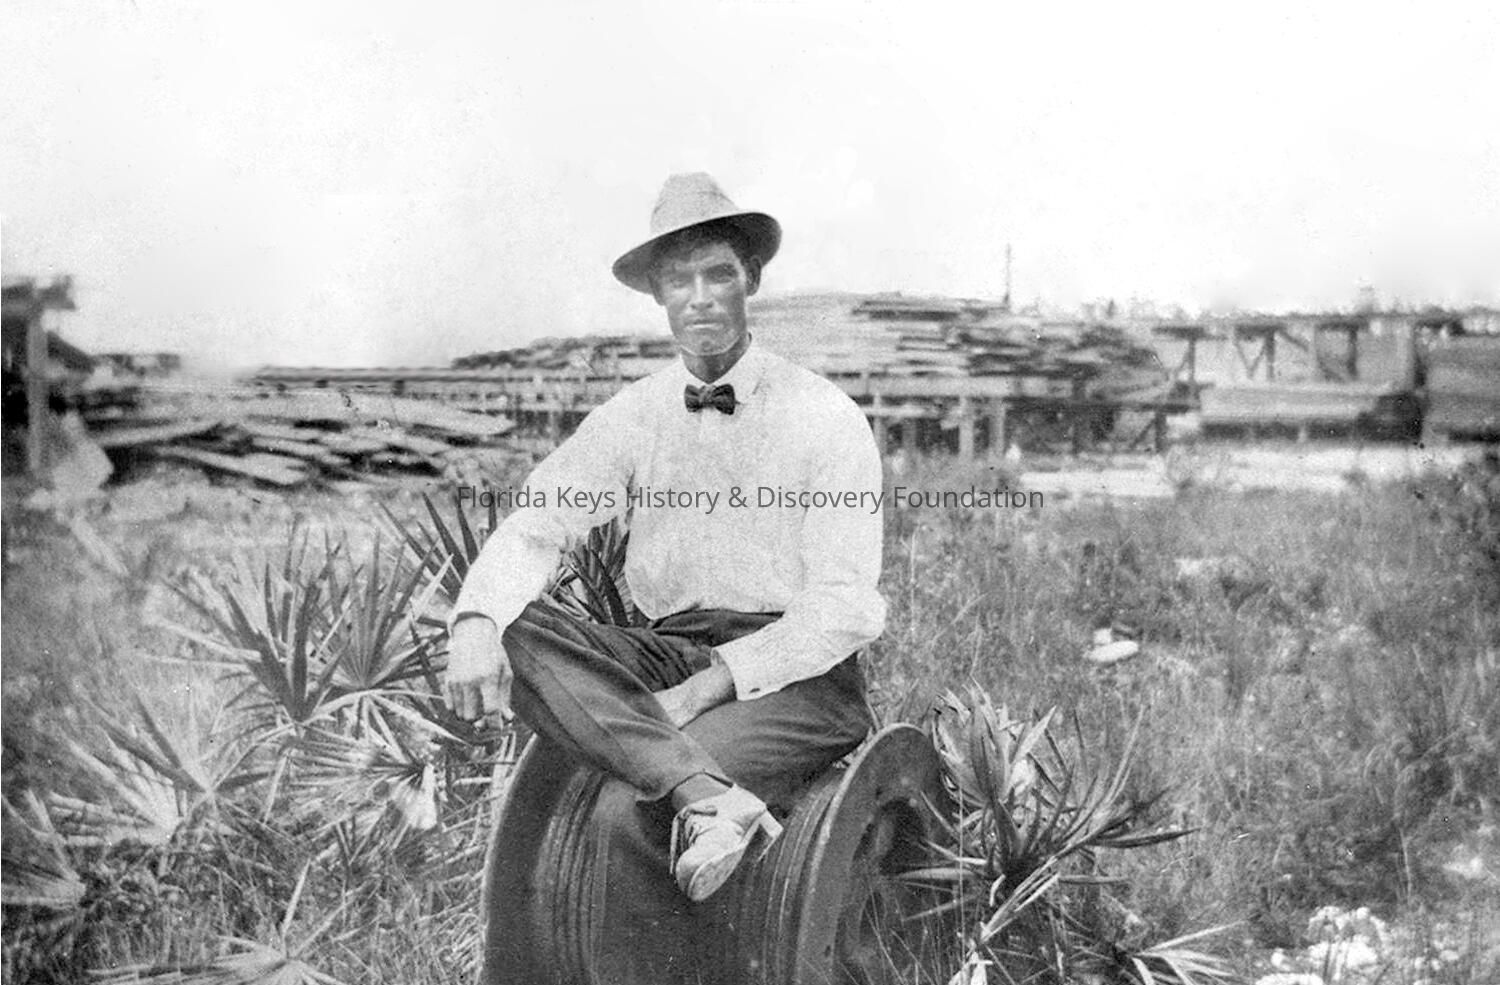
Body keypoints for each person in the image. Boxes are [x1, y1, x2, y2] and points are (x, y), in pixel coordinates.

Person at [444, 172, 886, 983]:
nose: (701, 297)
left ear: (752, 279)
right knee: (507, 619)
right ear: (657, 293)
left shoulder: (824, 415)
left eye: (719, 273)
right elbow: (539, 521)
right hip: (666, 651)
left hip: (796, 677)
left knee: (628, 810)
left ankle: (680, 794)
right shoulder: (633, 415)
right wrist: (475, 621)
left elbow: (845, 606)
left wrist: (715, 682)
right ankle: (698, 788)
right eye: (679, 279)